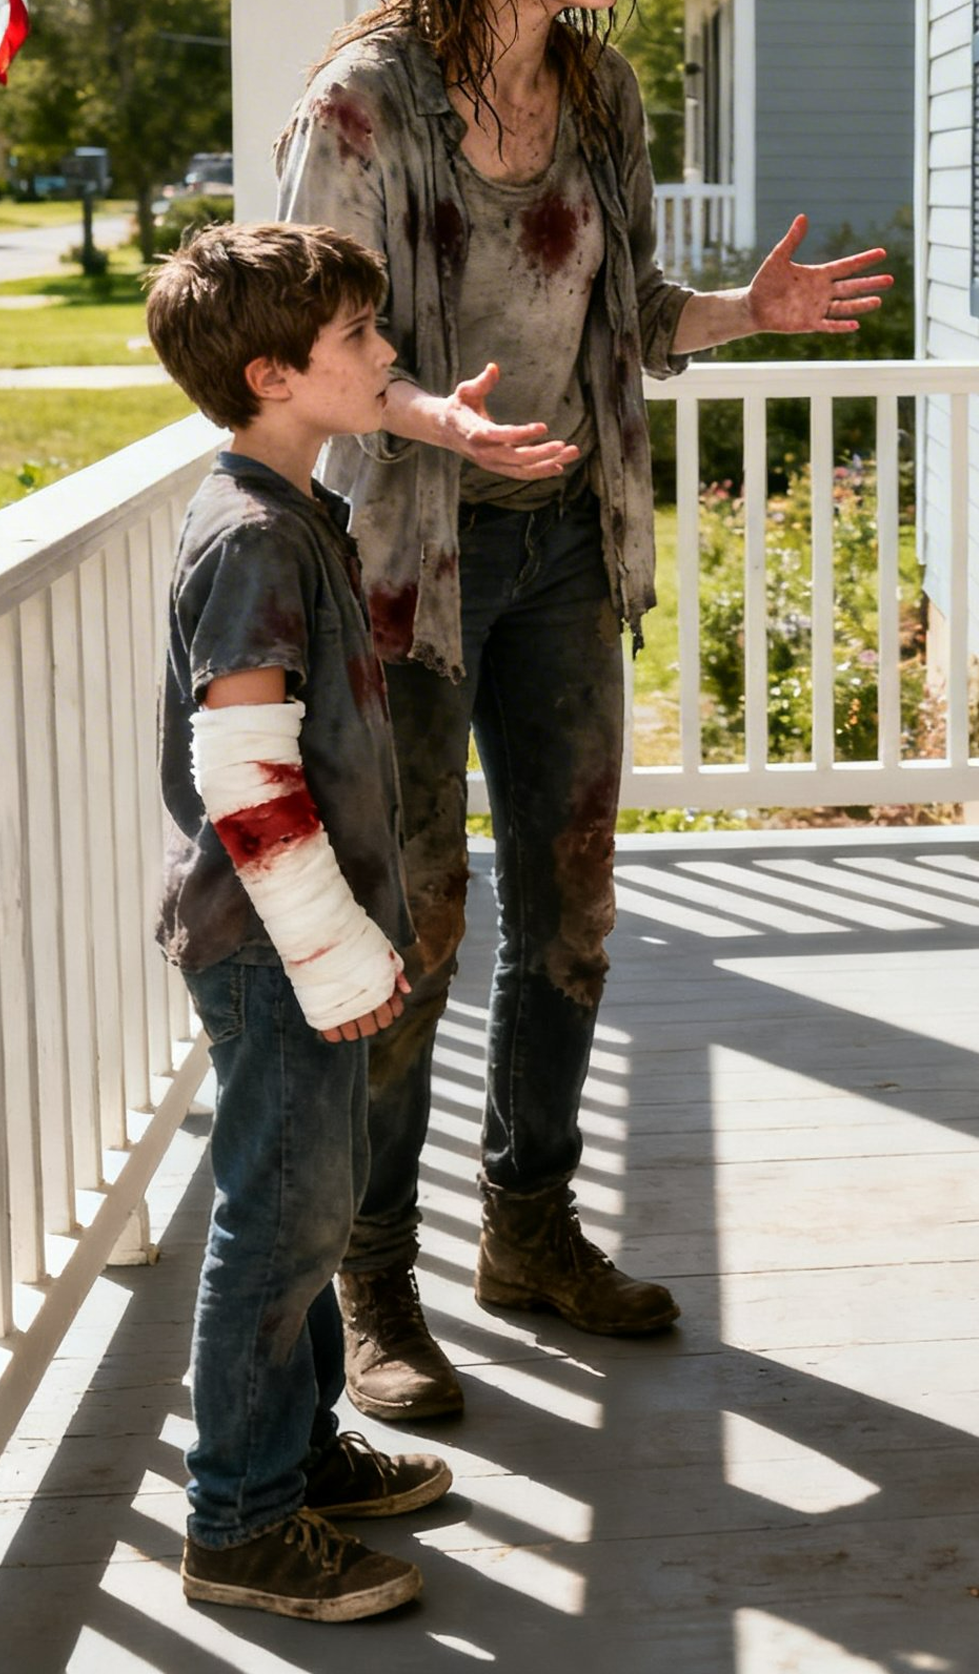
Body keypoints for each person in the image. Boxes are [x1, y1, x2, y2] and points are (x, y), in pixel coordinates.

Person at [277, 0, 892, 1419]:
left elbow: (622, 313)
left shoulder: (605, 98)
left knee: (573, 913)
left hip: (559, 554)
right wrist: (432, 418)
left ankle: (529, 1229)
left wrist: (746, 314)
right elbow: (305, 361)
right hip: (403, 568)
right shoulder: (362, 108)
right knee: (412, 928)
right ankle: (379, 1276)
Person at [147, 223, 454, 1622]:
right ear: (273, 374)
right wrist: (334, 947)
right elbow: (245, 775)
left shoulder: (289, 505)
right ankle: (240, 1521)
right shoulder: (256, 536)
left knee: (313, 1206)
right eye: (356, 342)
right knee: (278, 1224)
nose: (386, 354)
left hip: (303, 939)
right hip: (276, 947)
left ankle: (297, 1451)